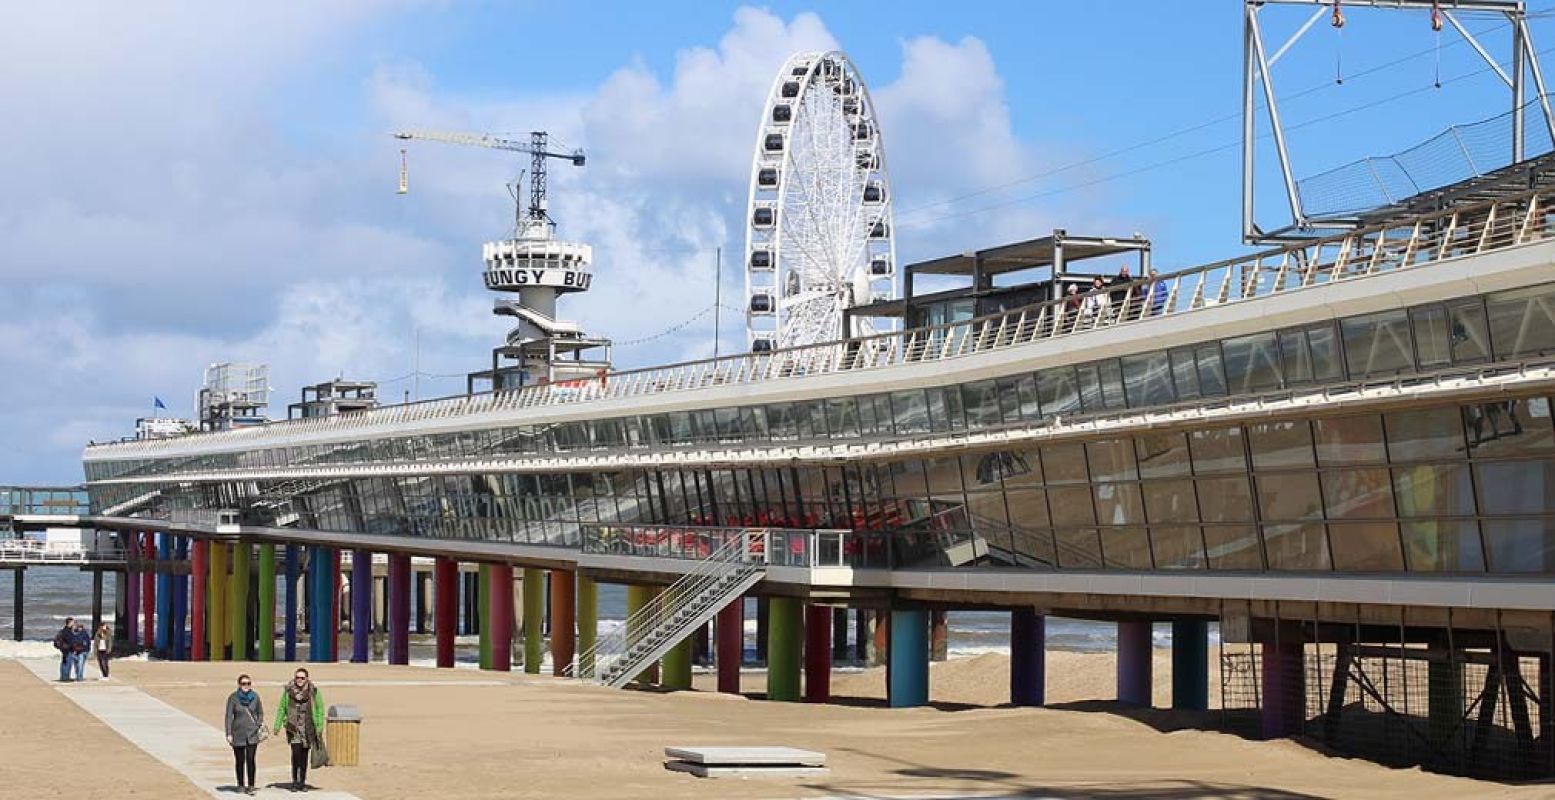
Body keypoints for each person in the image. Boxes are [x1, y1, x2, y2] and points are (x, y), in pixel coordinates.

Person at [274, 667, 327, 792]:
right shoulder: (288, 692)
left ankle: (302, 782)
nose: (299, 680)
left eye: (302, 678)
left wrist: (319, 726)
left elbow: (320, 709)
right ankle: (295, 781)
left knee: (304, 757)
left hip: (308, 728)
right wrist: (277, 725)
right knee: (295, 755)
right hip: (294, 729)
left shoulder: (314, 692)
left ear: (307, 679)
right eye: (297, 677)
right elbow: (282, 708)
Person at [226, 674, 266, 794]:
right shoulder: (233, 698)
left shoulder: (255, 697)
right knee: (239, 760)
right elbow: (228, 716)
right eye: (244, 683)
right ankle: (240, 784)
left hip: (252, 734)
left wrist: (257, 725)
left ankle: (251, 785)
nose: (246, 686)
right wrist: (228, 733)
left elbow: (260, 713)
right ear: (239, 684)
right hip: (238, 733)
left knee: (250, 759)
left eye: (248, 683)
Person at [53, 617, 75, 682]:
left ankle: (63, 677)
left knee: (64, 662)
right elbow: (69, 640)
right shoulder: (67, 631)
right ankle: (65, 677)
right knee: (67, 663)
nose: (74, 624)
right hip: (67, 649)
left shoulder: (65, 630)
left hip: (64, 648)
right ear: (70, 623)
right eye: (73, 622)